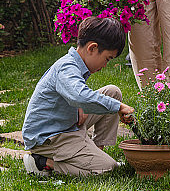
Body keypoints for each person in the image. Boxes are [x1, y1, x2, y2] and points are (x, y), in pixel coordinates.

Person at [22, 17, 134, 177]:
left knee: (112, 93)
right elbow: (79, 96)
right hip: (50, 137)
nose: (105, 65)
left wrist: (80, 105)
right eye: (107, 59)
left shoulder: (75, 63)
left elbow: (75, 95)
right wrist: (118, 107)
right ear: (92, 48)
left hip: (67, 123)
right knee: (108, 169)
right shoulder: (66, 67)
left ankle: (95, 152)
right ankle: (42, 163)